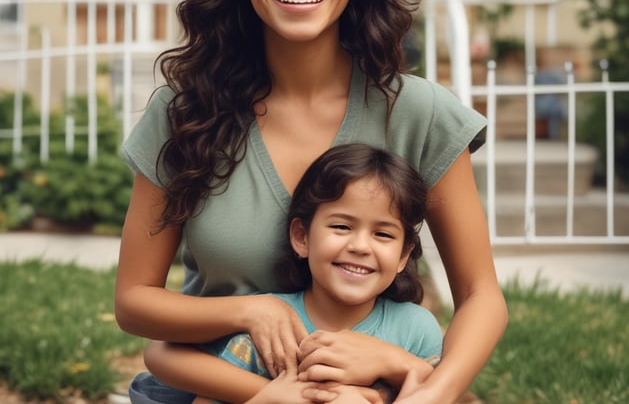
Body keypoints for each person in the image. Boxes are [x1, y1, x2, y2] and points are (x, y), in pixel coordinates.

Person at [115, 0, 508, 404]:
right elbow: (134, 301)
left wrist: (425, 390)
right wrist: (251, 310)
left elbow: (480, 294)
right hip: (209, 389)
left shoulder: (422, 113)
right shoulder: (184, 114)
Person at [143, 143, 444, 404]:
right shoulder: (270, 330)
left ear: (404, 254)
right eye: (341, 226)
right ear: (302, 237)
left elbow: (436, 392)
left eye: (383, 234)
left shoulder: (416, 331)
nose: (360, 246)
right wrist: (268, 398)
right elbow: (167, 361)